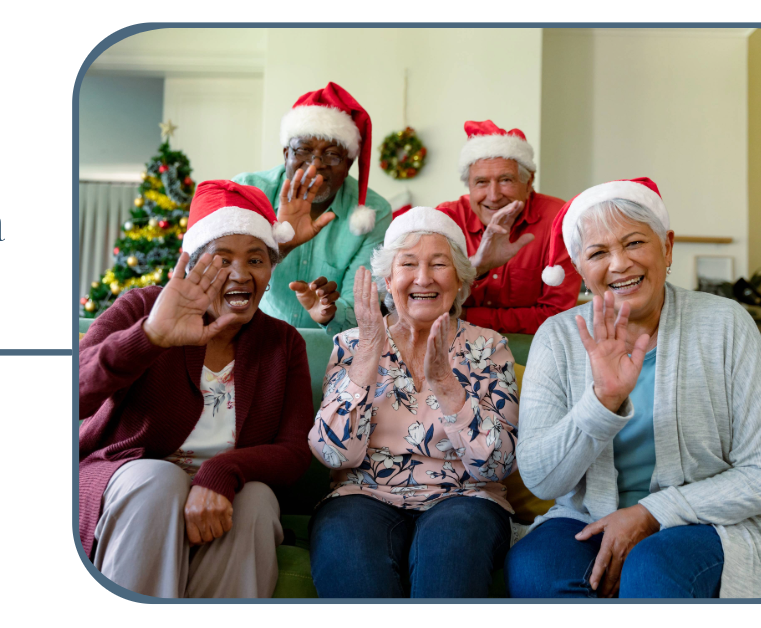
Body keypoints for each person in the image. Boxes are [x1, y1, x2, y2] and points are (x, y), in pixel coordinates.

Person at [506, 178, 761, 599]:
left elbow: (755, 473)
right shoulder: (557, 337)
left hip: (706, 521)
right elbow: (541, 481)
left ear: (667, 247)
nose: (620, 264)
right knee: (536, 568)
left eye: (635, 243)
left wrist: (651, 513)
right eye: (599, 253)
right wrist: (602, 402)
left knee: (653, 568)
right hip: (585, 516)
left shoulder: (727, 324)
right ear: (580, 269)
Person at [78, 178, 316, 598]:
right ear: (192, 265)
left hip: (227, 492)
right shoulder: (142, 307)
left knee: (258, 500)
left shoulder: (283, 342)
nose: (241, 274)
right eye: (222, 260)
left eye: (256, 260)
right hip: (131, 482)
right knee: (159, 481)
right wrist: (149, 337)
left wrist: (221, 471)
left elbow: (295, 451)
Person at [307, 207, 520, 598]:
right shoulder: (352, 344)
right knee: (348, 551)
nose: (423, 278)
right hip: (361, 495)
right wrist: (370, 350)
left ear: (459, 280)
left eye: (439, 264)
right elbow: (333, 455)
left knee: (451, 549)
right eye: (408, 264)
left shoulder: (488, 347)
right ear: (389, 279)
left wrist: (445, 384)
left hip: (465, 497)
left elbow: (498, 465)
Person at [232, 81, 393, 337]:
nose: (315, 166)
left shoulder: (374, 212)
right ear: (286, 154)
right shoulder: (248, 190)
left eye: (332, 155)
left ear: (349, 163)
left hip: (327, 353)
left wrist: (330, 311)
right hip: (246, 338)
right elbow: (222, 277)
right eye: (304, 150)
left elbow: (361, 308)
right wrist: (280, 249)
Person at [397, 120, 580, 334]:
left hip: (531, 345)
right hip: (453, 343)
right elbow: (425, 298)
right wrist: (478, 267)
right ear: (469, 186)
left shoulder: (558, 220)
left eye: (505, 180)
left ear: (528, 183)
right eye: (481, 182)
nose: (493, 197)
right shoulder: (446, 219)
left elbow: (556, 314)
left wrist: (465, 316)